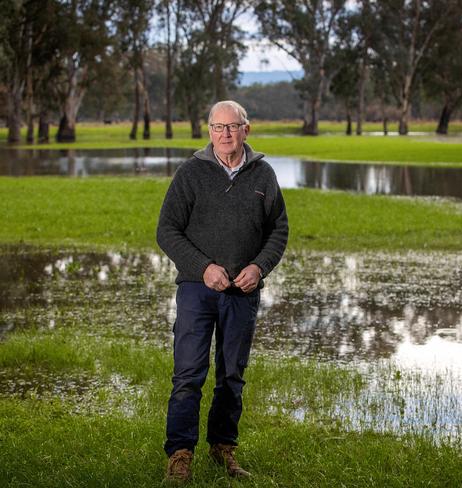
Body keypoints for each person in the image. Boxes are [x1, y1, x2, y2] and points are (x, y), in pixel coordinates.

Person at [156, 100, 289, 483]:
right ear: (209, 131)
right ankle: (180, 454)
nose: (226, 134)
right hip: (198, 291)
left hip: (243, 293)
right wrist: (203, 268)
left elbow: (278, 231)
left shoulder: (263, 175)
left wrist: (258, 267)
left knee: (232, 375)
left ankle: (223, 448)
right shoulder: (191, 173)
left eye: (233, 127)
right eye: (218, 127)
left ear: (246, 130)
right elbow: (167, 230)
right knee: (188, 374)